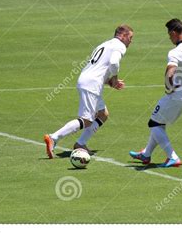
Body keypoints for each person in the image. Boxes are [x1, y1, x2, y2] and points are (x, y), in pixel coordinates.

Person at [129, 19, 182, 167]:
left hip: (177, 94)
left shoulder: (176, 51)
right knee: (159, 122)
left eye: (169, 34)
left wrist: (169, 86)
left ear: (174, 32)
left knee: (153, 123)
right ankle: (146, 154)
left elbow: (170, 70)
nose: (169, 38)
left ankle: (173, 157)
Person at [44, 24, 134, 158]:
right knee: (87, 120)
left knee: (103, 114)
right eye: (130, 38)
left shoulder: (104, 44)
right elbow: (114, 63)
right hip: (91, 85)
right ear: (123, 35)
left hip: (87, 81)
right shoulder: (119, 45)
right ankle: (54, 137)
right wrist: (114, 78)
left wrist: (109, 81)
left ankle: (81, 143)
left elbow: (98, 69)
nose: (130, 41)